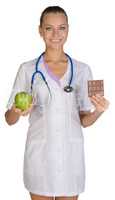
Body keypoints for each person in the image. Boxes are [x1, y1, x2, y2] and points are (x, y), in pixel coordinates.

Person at [5, 6, 109, 200]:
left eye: (61, 28)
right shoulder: (27, 69)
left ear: (68, 30)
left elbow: (84, 120)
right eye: (49, 28)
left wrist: (99, 111)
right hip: (39, 157)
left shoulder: (82, 70)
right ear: (40, 30)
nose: (55, 34)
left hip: (71, 157)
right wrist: (18, 110)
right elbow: (9, 120)